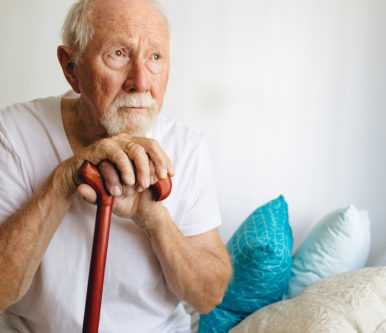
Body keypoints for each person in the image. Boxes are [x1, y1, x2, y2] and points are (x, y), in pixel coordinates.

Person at [0, 0, 232, 331]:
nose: (140, 81)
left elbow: (209, 296)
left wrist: (154, 218)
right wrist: (65, 179)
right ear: (71, 67)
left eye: (154, 57)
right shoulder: (13, 132)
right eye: (118, 54)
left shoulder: (188, 147)